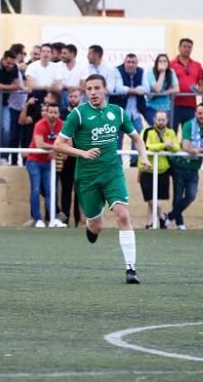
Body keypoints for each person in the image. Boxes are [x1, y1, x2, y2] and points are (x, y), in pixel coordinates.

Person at [54, 74, 150, 284]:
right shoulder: (78, 115)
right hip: (87, 177)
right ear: (85, 92)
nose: (93, 92)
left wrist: (143, 157)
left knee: (123, 216)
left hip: (112, 173)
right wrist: (82, 153)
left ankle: (131, 270)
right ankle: (91, 228)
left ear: (105, 89)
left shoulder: (117, 112)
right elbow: (58, 144)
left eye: (97, 88)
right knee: (96, 225)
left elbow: (136, 138)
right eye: (89, 89)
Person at [166, 103, 203, 231]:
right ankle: (179, 222)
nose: (202, 116)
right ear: (195, 114)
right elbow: (186, 147)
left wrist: (198, 150)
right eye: (200, 113)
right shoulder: (189, 124)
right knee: (178, 195)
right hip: (180, 165)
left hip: (194, 166)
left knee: (191, 195)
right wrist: (202, 150)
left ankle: (170, 216)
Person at [23, 101, 64, 228]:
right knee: (35, 189)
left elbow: (69, 143)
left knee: (50, 190)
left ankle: (53, 219)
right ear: (46, 113)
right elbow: (39, 144)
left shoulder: (63, 125)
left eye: (55, 112)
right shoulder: (40, 124)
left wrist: (57, 149)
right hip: (34, 161)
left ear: (59, 114)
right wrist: (56, 148)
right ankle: (37, 219)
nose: (52, 115)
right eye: (50, 112)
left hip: (49, 162)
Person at [138, 110, 177, 228]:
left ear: (167, 120)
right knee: (149, 198)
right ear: (154, 120)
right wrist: (164, 145)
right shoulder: (146, 131)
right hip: (146, 169)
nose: (161, 122)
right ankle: (163, 217)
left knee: (156, 199)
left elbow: (176, 147)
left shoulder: (170, 132)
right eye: (159, 120)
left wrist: (168, 146)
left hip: (163, 169)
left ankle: (149, 223)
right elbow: (146, 146)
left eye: (163, 120)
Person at [112, 52, 149, 162]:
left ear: (137, 63)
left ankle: (134, 162)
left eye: (133, 62)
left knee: (138, 135)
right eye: (128, 62)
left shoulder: (141, 71)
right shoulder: (117, 70)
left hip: (135, 112)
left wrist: (127, 90)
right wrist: (135, 90)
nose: (131, 65)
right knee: (117, 138)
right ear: (124, 62)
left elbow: (146, 89)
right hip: (120, 113)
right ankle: (118, 163)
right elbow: (118, 88)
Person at [57, 88, 82, 226]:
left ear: (80, 97)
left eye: (75, 96)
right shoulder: (61, 113)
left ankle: (79, 220)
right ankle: (65, 219)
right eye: (71, 96)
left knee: (79, 191)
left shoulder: (85, 113)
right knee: (66, 189)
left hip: (81, 156)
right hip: (67, 156)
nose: (73, 98)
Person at [169, 38, 203, 130]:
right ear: (179, 48)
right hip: (174, 104)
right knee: (172, 132)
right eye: (184, 46)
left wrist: (200, 90)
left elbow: (201, 85)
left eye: (189, 47)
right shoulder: (170, 64)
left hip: (190, 105)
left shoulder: (197, 65)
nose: (187, 49)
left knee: (189, 134)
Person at [145, 53, 178, 127]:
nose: (163, 63)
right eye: (160, 61)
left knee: (167, 129)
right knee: (155, 128)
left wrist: (165, 92)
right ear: (156, 63)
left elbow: (176, 89)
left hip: (167, 107)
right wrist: (162, 72)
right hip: (152, 107)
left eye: (165, 61)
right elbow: (157, 89)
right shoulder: (150, 73)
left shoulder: (171, 72)